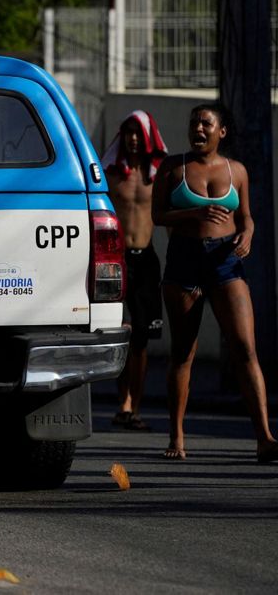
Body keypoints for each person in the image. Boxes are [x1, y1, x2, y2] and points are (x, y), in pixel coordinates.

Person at [151, 103, 278, 462]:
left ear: (221, 131)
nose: (198, 129)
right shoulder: (172, 167)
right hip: (185, 260)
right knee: (183, 353)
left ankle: (265, 438)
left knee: (245, 348)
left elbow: (247, 217)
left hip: (225, 261)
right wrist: (195, 212)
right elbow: (158, 214)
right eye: (194, 123)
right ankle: (176, 438)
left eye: (206, 123)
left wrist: (248, 235)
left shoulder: (236, 170)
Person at [101, 110, 167, 431]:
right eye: (128, 131)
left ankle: (134, 407)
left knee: (141, 338)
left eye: (138, 132)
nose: (133, 138)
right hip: (116, 261)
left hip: (147, 261)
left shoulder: (160, 174)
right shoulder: (112, 173)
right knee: (121, 333)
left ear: (149, 136)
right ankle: (122, 403)